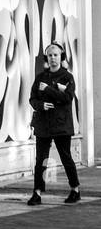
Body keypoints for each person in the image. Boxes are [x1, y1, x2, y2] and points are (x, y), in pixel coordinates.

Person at [27, 41, 81, 206]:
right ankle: (36, 193)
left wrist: (49, 89)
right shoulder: (40, 77)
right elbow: (32, 99)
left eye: (55, 55)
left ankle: (75, 190)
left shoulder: (67, 77)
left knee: (66, 158)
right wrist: (41, 105)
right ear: (47, 58)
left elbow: (67, 98)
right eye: (50, 55)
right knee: (40, 160)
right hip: (43, 124)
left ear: (61, 57)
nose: (52, 58)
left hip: (62, 124)